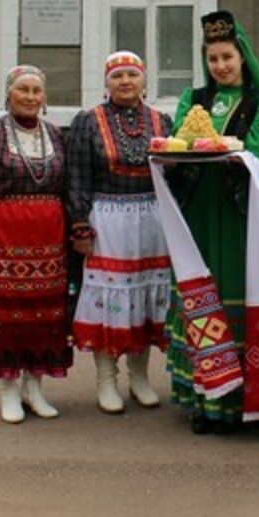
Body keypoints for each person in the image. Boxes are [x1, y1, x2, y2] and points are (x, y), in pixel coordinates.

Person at [167, 10, 259, 433]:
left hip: (236, 210)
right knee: (201, 294)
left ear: (242, 56)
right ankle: (203, 396)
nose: (220, 66)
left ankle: (238, 399)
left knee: (233, 296)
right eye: (213, 59)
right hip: (198, 207)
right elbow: (180, 140)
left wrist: (224, 146)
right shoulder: (191, 99)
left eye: (227, 57)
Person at [0, 65, 69, 424]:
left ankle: (35, 387)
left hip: (49, 241)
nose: (30, 97)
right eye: (23, 90)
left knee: (45, 314)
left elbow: (64, 190)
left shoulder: (54, 133)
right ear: (9, 93)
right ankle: (8, 388)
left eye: (37, 91)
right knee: (6, 314)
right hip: (4, 240)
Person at [66, 51, 174, 414]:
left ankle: (139, 377)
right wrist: (80, 224)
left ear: (144, 80)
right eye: (117, 76)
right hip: (108, 219)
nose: (125, 82)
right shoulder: (88, 121)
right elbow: (77, 176)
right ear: (107, 83)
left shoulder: (162, 121)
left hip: (151, 220)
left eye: (132, 74)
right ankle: (106, 379)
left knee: (145, 298)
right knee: (110, 301)